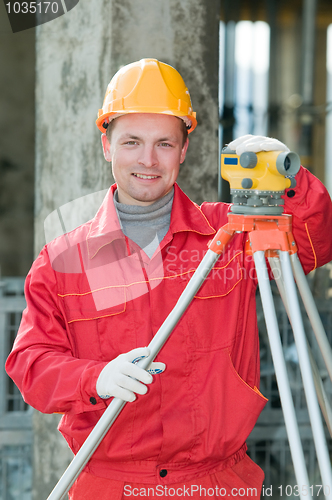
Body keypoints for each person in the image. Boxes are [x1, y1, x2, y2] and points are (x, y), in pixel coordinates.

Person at [5, 58, 332, 500]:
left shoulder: (232, 233)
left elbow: (316, 241)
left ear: (183, 150)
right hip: (110, 486)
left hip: (217, 483)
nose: (148, 159)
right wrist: (95, 378)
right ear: (106, 145)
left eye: (164, 143)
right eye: (132, 142)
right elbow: (30, 364)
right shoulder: (63, 259)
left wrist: (286, 179)